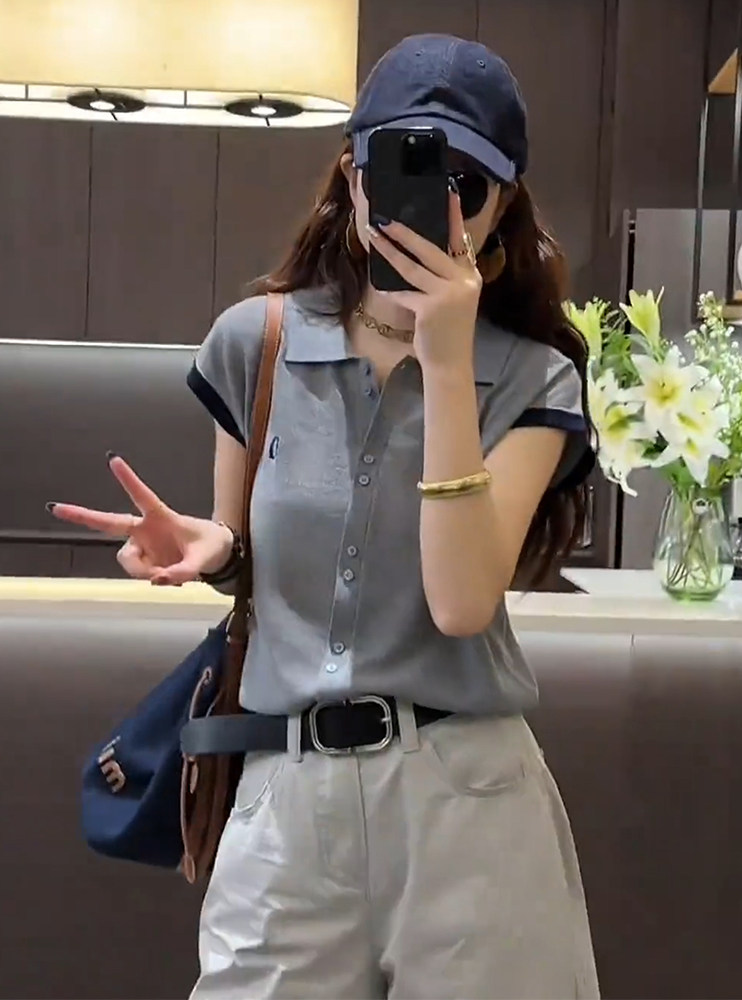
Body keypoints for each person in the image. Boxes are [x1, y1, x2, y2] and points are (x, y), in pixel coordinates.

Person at [49, 33, 599, 1000]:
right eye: (404, 168)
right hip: (286, 795)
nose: (438, 204)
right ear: (353, 177)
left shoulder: (534, 377)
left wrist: (447, 355)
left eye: (468, 183)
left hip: (468, 800)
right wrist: (218, 549)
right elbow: (250, 554)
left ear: (504, 204)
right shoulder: (255, 340)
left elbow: (462, 602)